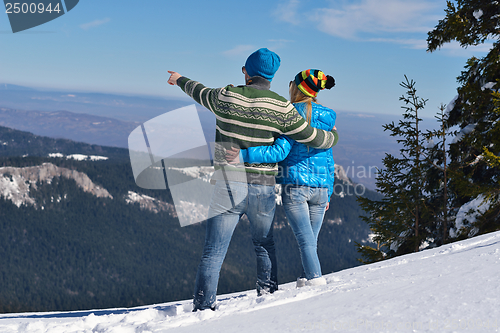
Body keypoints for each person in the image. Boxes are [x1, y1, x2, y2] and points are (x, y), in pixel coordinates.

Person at [167, 49, 338, 311]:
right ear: (272, 76)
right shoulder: (282, 107)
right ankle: (266, 297)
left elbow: (198, 90)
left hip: (228, 184)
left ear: (247, 71)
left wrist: (179, 79)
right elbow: (312, 137)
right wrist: (333, 138)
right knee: (264, 243)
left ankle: (203, 306)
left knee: (213, 251)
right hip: (263, 187)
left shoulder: (225, 96)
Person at [227, 69, 336, 287]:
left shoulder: (290, 115)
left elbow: (278, 152)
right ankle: (307, 280)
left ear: (296, 89)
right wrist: (329, 192)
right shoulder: (328, 118)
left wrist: (244, 154)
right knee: (310, 242)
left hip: (295, 187)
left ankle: (316, 283)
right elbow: (329, 159)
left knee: (306, 241)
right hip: (321, 190)